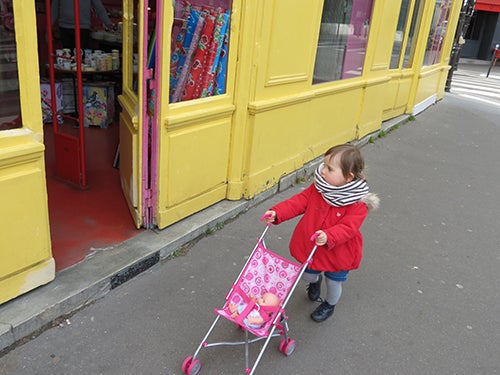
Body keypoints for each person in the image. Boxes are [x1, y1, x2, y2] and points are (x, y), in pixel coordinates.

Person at [264, 144, 379, 322]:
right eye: (324, 165)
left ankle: (329, 304)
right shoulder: (319, 188)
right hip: (312, 246)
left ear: (348, 177)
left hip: (339, 253)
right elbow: (298, 202)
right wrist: (278, 212)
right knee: (308, 274)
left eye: (329, 168)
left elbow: (349, 227)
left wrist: (330, 236)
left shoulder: (357, 203)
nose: (323, 171)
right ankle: (314, 281)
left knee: (333, 283)